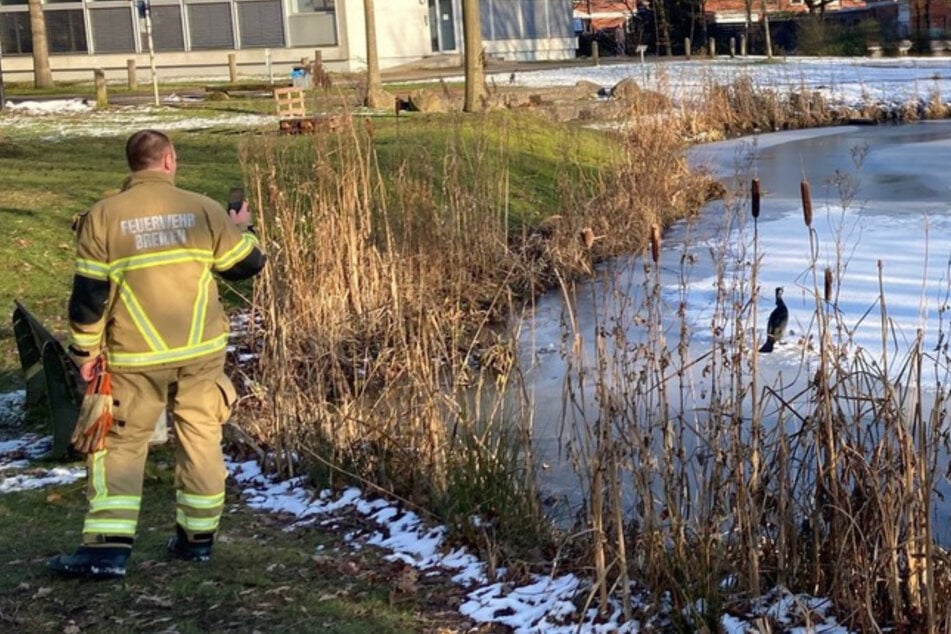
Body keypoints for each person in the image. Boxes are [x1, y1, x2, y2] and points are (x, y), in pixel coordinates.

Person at [48, 129, 266, 579]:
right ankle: (197, 540)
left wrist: (83, 351)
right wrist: (238, 228)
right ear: (169, 161)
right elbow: (247, 265)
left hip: (134, 353)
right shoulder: (203, 208)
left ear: (133, 165)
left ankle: (107, 550)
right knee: (201, 436)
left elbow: (88, 295)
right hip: (200, 350)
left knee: (122, 445)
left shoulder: (103, 216)